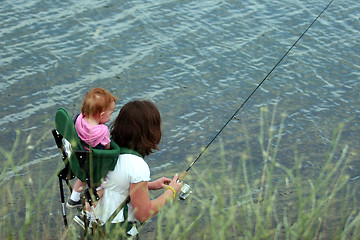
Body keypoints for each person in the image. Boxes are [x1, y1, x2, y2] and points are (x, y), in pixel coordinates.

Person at [88, 99, 183, 237]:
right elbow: (143, 214)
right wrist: (171, 192)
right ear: (150, 131)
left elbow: (115, 183)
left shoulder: (110, 151)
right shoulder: (137, 165)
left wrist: (148, 185)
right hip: (116, 230)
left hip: (95, 225)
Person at [67, 87, 118, 209]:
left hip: (80, 159)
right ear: (101, 115)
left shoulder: (79, 119)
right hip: (95, 164)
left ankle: (73, 199)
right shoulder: (102, 130)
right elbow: (107, 147)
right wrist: (108, 148)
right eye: (110, 114)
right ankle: (94, 204)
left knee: (83, 177)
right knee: (104, 180)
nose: (111, 117)